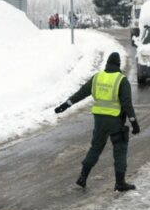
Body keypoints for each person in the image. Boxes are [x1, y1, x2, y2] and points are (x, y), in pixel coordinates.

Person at [53, 52, 140, 191]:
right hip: (115, 120)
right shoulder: (121, 80)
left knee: (96, 147)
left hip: (99, 120)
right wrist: (134, 122)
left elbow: (81, 93)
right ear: (118, 65)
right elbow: (127, 104)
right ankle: (120, 182)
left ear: (107, 64)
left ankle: (83, 177)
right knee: (120, 149)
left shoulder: (97, 77)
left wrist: (66, 105)